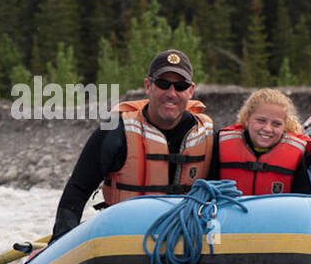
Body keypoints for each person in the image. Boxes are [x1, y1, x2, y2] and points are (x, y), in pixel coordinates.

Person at [51, 49, 213, 241]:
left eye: (180, 86)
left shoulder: (206, 134)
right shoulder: (115, 131)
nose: (171, 93)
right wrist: (61, 241)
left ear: (191, 91)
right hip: (126, 237)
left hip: (185, 237)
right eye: (163, 84)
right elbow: (78, 189)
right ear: (148, 86)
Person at [210, 88, 311, 195]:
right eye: (261, 121)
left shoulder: (297, 154)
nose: (267, 129)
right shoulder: (221, 145)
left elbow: (301, 200)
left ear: (285, 126)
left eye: (276, 124)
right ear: (247, 119)